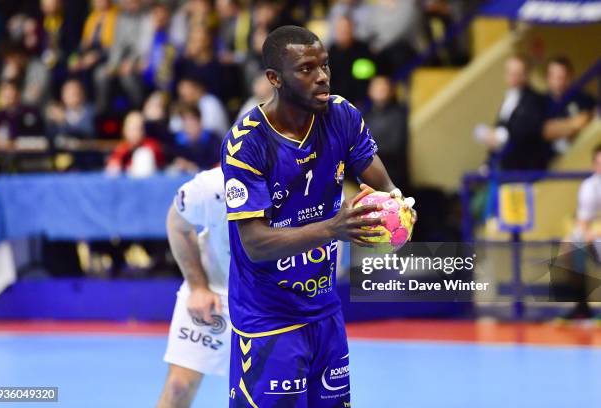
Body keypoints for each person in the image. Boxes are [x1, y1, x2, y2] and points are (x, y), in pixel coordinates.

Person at [221, 25, 415, 407]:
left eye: (324, 65)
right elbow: (255, 243)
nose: (322, 75)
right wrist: (333, 228)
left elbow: (382, 183)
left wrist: (397, 211)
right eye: (307, 69)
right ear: (275, 79)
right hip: (268, 318)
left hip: (324, 309)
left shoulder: (340, 116)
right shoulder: (248, 143)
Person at [158, 167, 232, 408]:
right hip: (215, 289)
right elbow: (177, 224)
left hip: (273, 301)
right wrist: (199, 287)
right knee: (178, 387)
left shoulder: (303, 179)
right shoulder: (212, 185)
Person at [474, 55, 550, 171]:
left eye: (517, 73)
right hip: (503, 165)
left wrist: (501, 136)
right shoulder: (509, 97)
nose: (512, 77)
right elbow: (500, 125)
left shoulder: (534, 100)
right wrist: (488, 162)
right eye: (509, 73)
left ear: (525, 75)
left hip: (523, 167)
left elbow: (527, 130)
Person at [551, 145, 601, 319]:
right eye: (599, 163)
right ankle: (581, 306)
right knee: (572, 245)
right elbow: (583, 223)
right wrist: (580, 236)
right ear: (593, 165)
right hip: (596, 239)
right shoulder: (590, 187)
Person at [543, 56, 596, 157]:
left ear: (570, 77)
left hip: (581, 155)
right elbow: (544, 131)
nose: (559, 82)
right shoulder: (539, 102)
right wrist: (573, 125)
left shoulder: (583, 98)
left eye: (562, 77)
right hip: (550, 162)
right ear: (548, 78)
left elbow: (592, 118)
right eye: (554, 77)